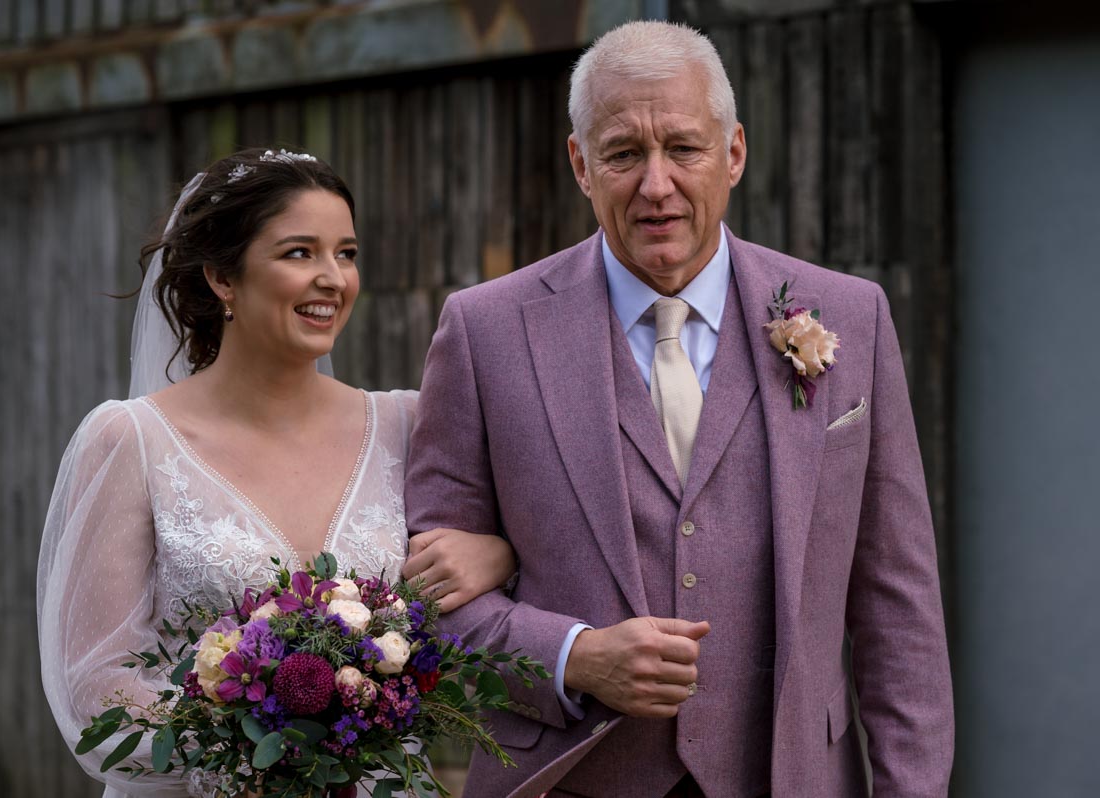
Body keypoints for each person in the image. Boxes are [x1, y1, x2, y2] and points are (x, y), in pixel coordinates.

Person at [404, 20, 954, 798]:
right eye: (624, 153)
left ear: (734, 153)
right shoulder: (484, 332)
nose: (655, 184)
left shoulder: (850, 317)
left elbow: (899, 607)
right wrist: (571, 656)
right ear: (581, 165)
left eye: (684, 148)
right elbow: (430, 606)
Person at [37, 148, 517, 798]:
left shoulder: (407, 425)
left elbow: (530, 568)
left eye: (346, 253)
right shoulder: (130, 441)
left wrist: (500, 555)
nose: (333, 278)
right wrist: (264, 746)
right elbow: (97, 683)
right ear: (222, 278)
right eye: (299, 253)